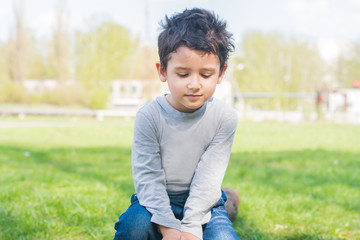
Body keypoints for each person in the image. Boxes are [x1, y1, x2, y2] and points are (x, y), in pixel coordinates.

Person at [113, 8, 238, 240]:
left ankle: (229, 203)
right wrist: (169, 227)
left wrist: (190, 227)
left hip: (206, 203)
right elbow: (148, 178)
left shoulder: (224, 118)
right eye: (183, 74)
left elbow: (208, 178)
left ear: (221, 73)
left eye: (206, 74)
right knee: (134, 229)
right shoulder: (149, 117)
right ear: (163, 71)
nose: (194, 84)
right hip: (154, 202)